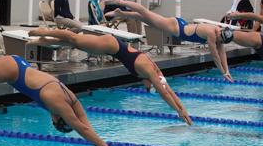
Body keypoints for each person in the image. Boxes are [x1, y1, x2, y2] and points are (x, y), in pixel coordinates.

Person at [29, 28, 192, 125]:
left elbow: (168, 89)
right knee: (74, 39)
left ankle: (43, 40)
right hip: (110, 46)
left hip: (109, 47)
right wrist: (177, 111)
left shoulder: (155, 74)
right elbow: (164, 93)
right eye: (150, 88)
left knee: (73, 43)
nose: (148, 88)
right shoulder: (149, 70)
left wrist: (182, 108)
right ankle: (44, 31)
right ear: (152, 82)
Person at [106, 0, 233, 82]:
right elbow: (215, 56)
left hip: (179, 25)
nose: (218, 41)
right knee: (145, 12)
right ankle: (120, 2)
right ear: (221, 32)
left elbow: (222, 53)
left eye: (220, 41)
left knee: (145, 18)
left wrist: (226, 71)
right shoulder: (211, 34)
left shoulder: (218, 35)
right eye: (219, 38)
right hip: (177, 27)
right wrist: (222, 73)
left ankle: (120, 13)